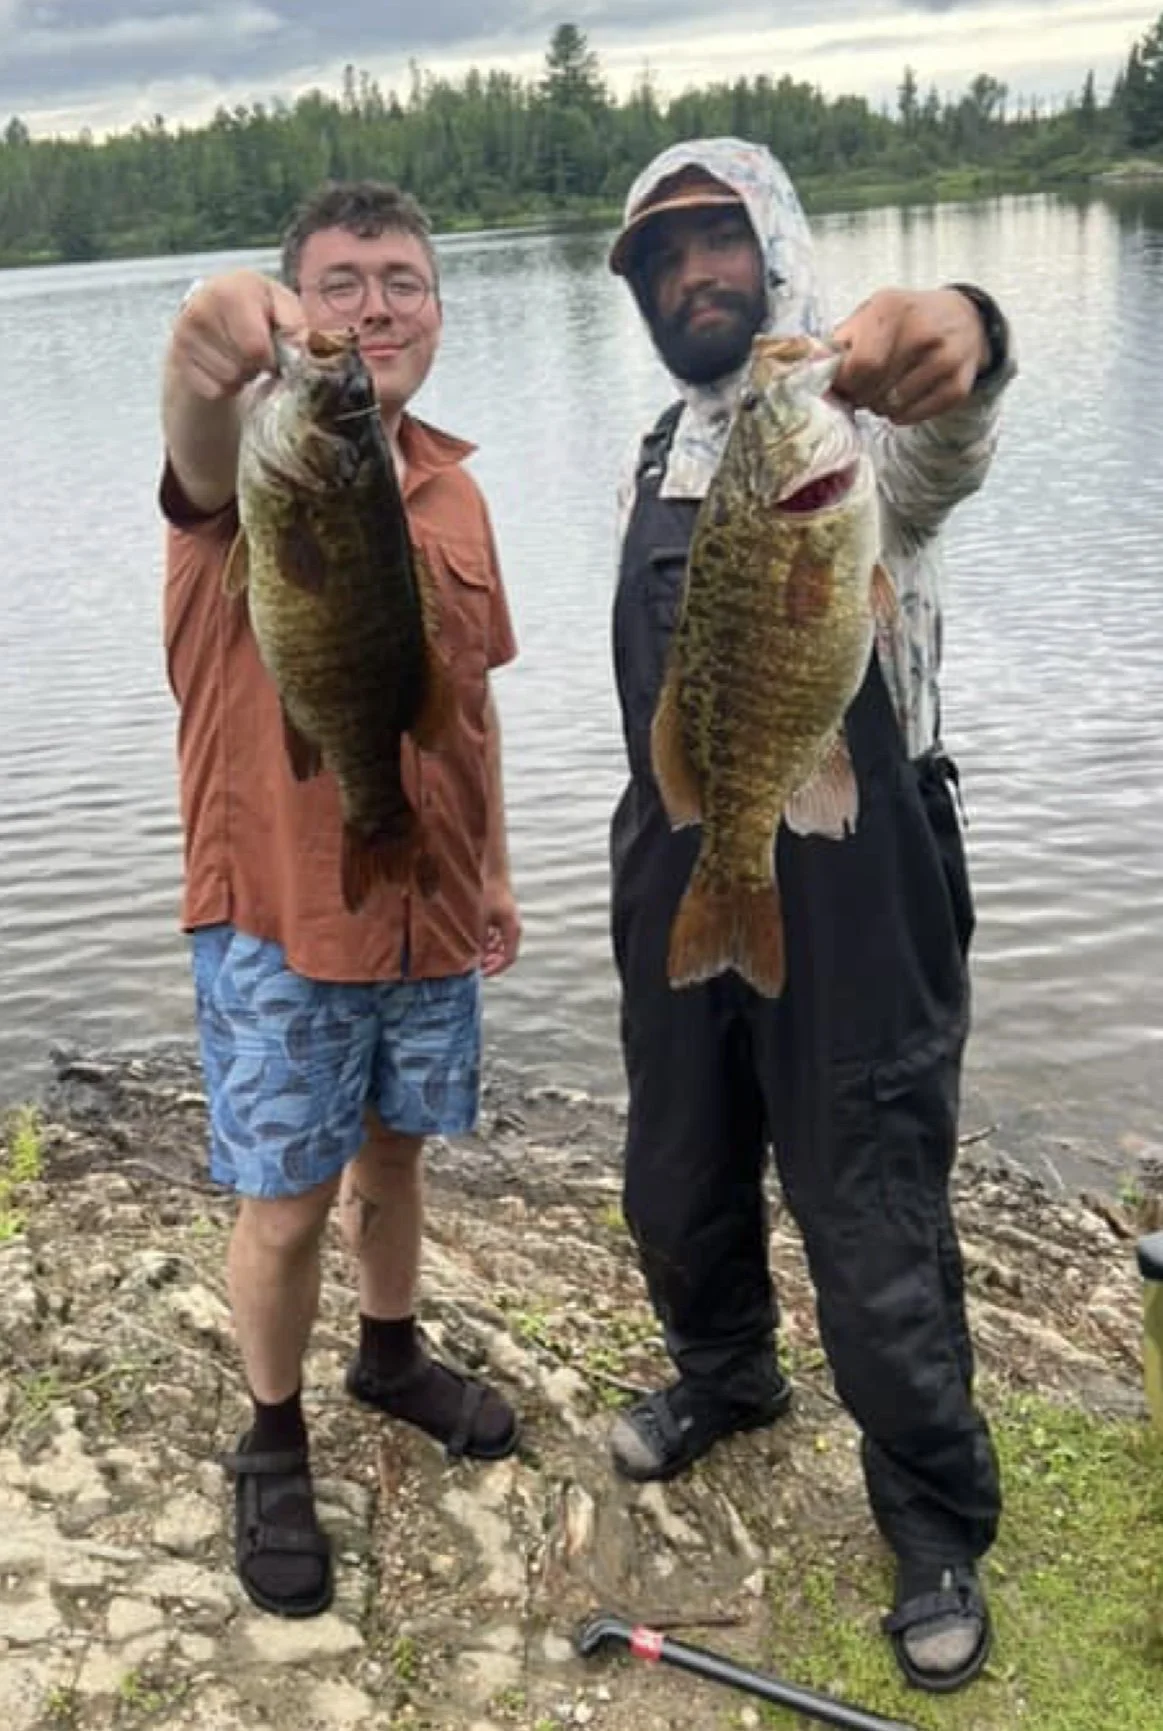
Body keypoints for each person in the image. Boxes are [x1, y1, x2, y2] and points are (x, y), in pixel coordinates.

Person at [605, 137, 1015, 1694]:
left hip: (854, 870)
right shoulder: (651, 447)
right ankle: (726, 1375)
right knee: (677, 1169)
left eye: (716, 241)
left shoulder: (856, 426)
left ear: (773, 246)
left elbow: (953, 422)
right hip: (684, 846)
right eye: (659, 257)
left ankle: (931, 1520)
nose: (690, 274)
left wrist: (966, 330)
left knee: (868, 1207)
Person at [159, 180, 522, 1619]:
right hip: (278, 915)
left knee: (397, 1155)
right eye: (342, 283)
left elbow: (467, 708)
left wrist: (488, 865)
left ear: (437, 309)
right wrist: (206, 347)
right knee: (286, 1198)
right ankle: (269, 1437)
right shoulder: (254, 467)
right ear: (291, 308)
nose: (375, 308)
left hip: (424, 901)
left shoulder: (456, 484)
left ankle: (387, 1352)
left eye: (403, 282)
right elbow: (197, 434)